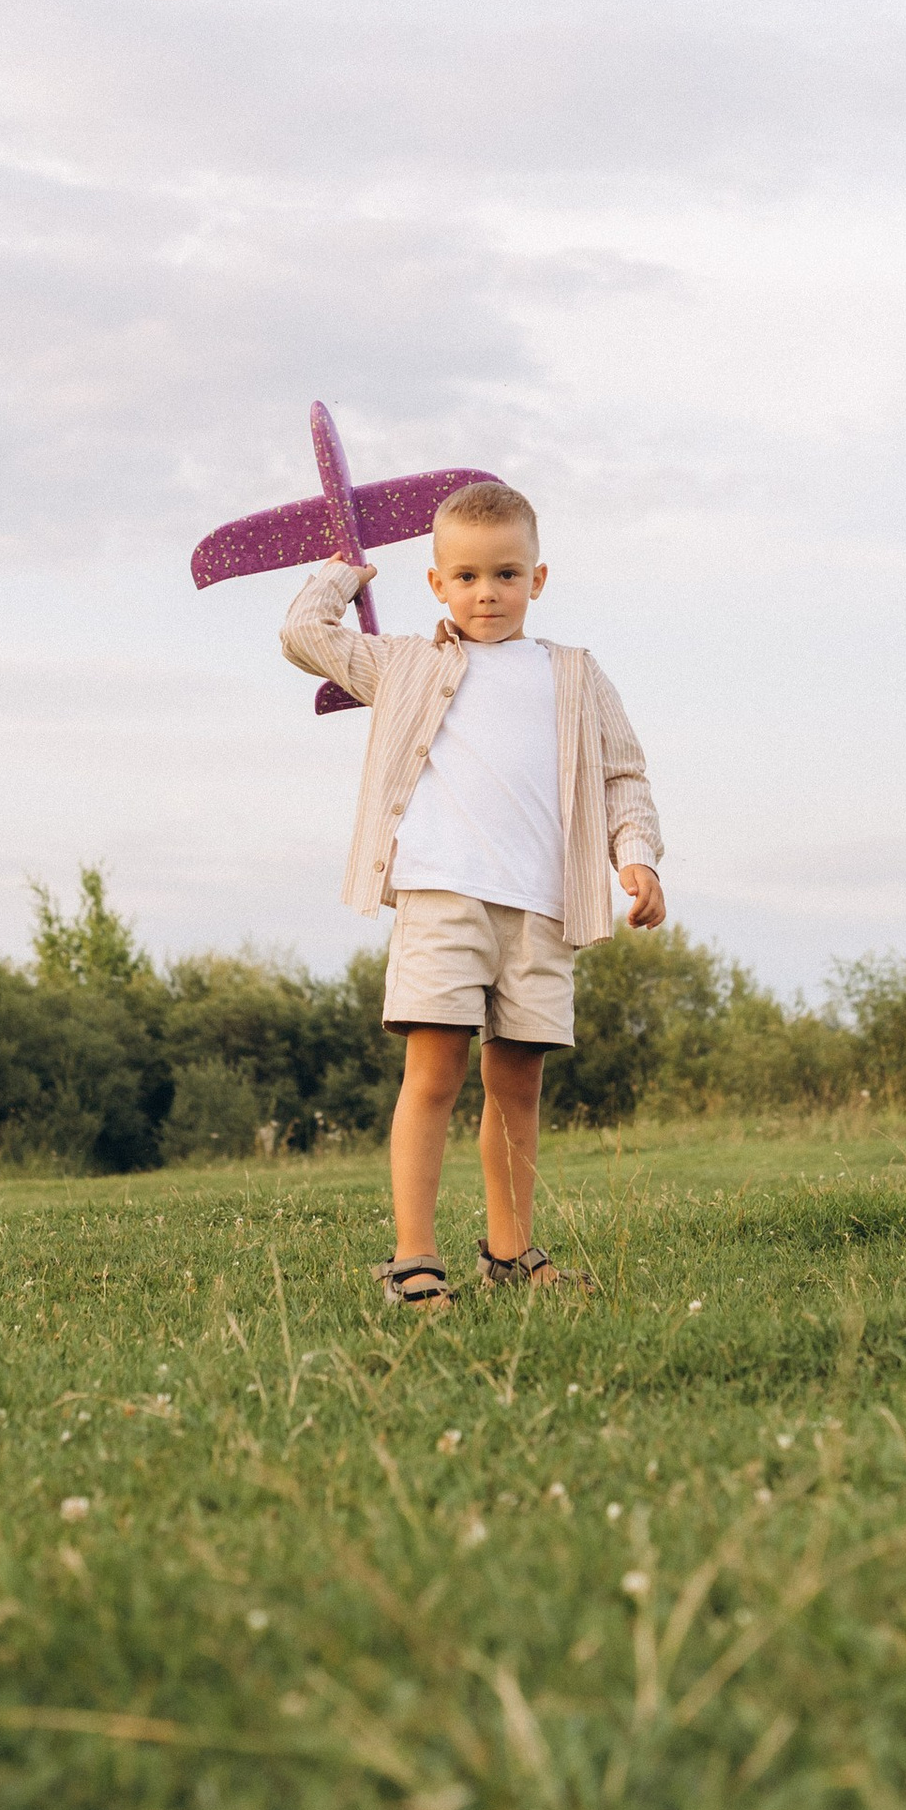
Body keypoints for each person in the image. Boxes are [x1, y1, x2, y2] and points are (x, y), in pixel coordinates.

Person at [280, 479, 665, 1308]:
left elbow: (622, 772)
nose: (485, 592)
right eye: (464, 576)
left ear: (539, 578)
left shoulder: (575, 675)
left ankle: (510, 1252)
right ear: (435, 583)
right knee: (434, 1074)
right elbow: (303, 633)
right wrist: (346, 571)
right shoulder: (406, 664)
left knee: (517, 1082)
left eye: (505, 574)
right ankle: (414, 1258)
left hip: (541, 908)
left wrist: (636, 856)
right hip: (441, 897)